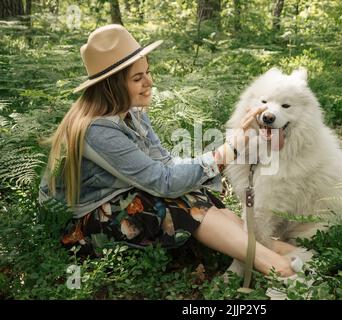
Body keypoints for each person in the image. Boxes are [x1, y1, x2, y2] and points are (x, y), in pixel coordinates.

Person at [38, 24, 301, 281]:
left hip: (120, 197)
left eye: (147, 73)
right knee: (177, 202)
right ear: (112, 85)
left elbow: (166, 163)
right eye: (138, 78)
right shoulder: (97, 130)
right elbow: (164, 181)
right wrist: (231, 148)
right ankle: (277, 265)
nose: (149, 82)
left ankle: (271, 252)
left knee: (192, 192)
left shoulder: (133, 114)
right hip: (81, 226)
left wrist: (204, 171)